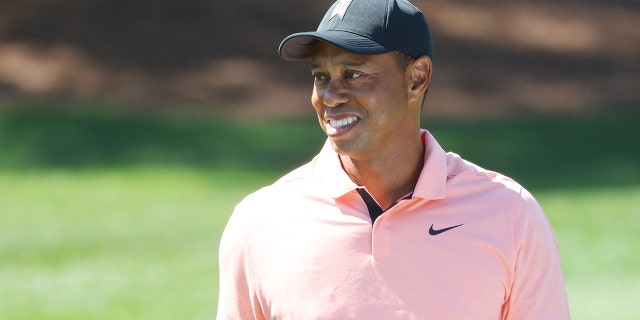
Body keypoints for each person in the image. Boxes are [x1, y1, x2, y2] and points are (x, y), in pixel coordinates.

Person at [217, 0, 570, 319]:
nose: (331, 96)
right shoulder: (260, 222)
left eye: (353, 74)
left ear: (417, 79)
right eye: (320, 77)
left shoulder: (509, 214)